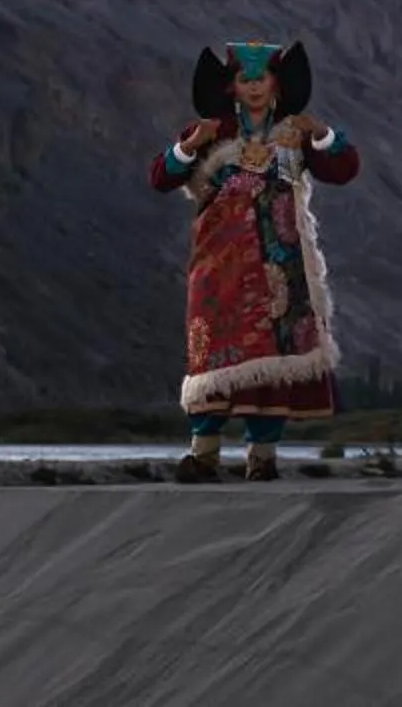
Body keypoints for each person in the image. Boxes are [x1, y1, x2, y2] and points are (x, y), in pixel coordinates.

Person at [147, 41, 359, 482]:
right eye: (246, 80)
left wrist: (322, 133)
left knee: (273, 357)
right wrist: (190, 146)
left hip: (280, 261)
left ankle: (262, 456)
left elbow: (344, 169)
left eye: (261, 79)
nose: (255, 88)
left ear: (275, 83)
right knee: (211, 353)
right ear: (233, 87)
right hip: (218, 263)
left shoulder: (295, 132)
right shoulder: (211, 131)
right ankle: (203, 453)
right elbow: (161, 177)